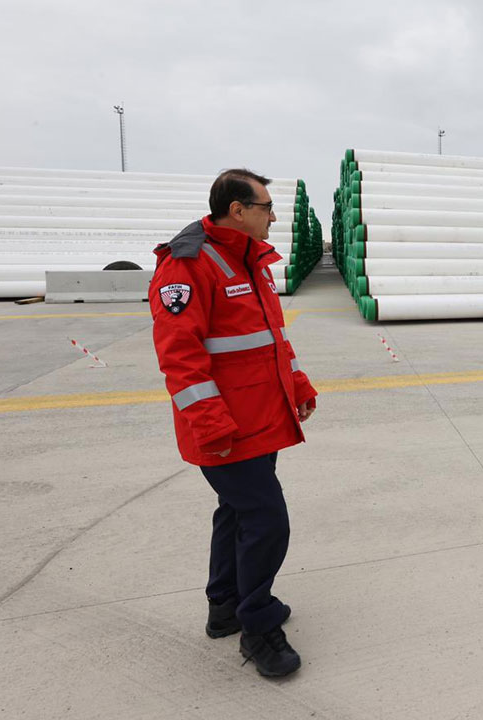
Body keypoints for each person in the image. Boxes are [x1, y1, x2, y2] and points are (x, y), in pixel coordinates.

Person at [148, 169, 317, 678]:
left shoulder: (254, 260)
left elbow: (269, 341)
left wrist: (299, 384)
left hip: (262, 417)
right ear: (237, 210)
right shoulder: (187, 267)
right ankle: (258, 625)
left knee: (238, 513)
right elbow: (179, 357)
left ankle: (224, 606)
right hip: (224, 428)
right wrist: (210, 423)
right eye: (266, 207)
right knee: (267, 519)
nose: (273, 216)